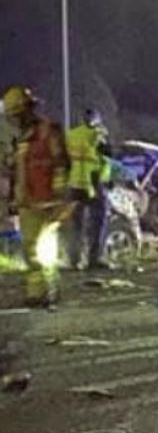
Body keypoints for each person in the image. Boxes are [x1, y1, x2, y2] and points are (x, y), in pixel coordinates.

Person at [3, 86, 70, 307]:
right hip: (27, 202)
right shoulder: (22, 139)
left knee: (45, 249)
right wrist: (15, 198)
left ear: (27, 110)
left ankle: (49, 290)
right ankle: (36, 293)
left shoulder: (48, 131)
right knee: (30, 248)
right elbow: (18, 172)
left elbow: (61, 163)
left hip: (48, 201)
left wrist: (60, 197)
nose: (14, 120)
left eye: (16, 114)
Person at [65, 108, 113, 270]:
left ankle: (74, 260)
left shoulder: (71, 134)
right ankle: (94, 259)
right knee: (98, 221)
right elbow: (107, 155)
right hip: (93, 182)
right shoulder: (98, 133)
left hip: (74, 183)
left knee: (75, 224)